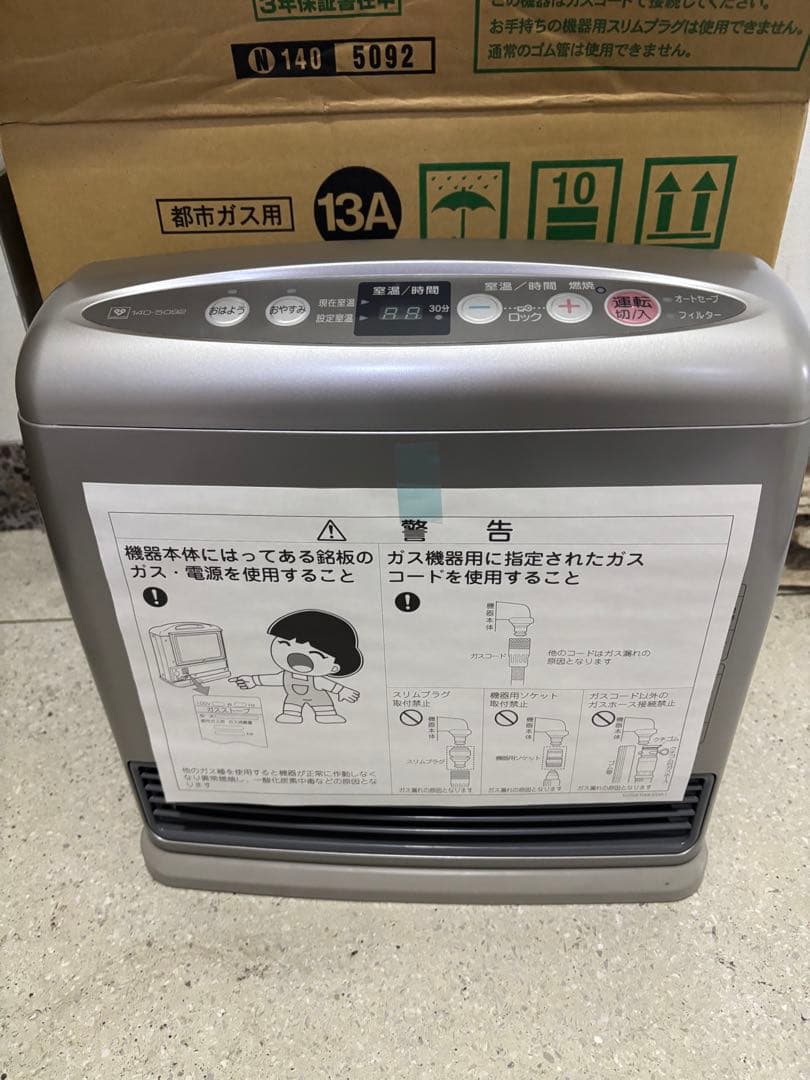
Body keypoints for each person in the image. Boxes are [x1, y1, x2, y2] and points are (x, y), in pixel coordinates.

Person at [230, 609, 362, 724]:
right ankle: (291, 714)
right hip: (293, 698)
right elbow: (273, 679)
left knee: (324, 709)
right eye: (285, 645)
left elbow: (331, 685)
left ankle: (327, 715)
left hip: (319, 698)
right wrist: (253, 680)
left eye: (315, 654)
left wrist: (343, 691)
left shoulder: (317, 679)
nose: (296, 657)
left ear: (334, 668)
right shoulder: (285, 676)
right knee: (291, 711)